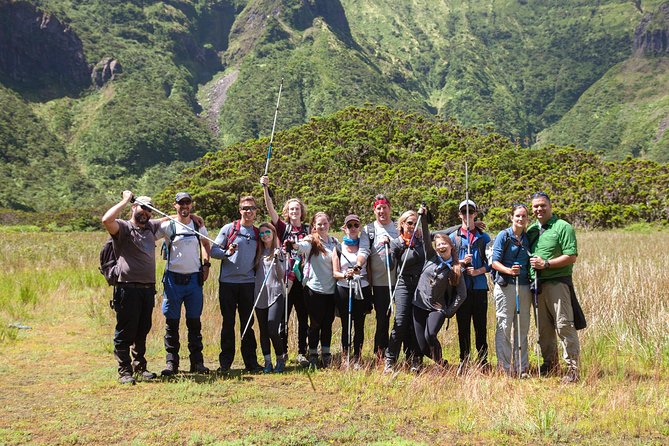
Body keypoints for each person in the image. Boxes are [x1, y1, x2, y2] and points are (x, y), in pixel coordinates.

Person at [102, 191, 163, 384]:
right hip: (127, 288)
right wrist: (125, 200)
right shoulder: (124, 228)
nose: (145, 212)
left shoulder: (151, 227)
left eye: (149, 209)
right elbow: (106, 219)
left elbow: (171, 219)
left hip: (147, 288)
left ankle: (140, 367)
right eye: (143, 207)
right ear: (134, 208)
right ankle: (124, 371)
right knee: (125, 329)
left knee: (142, 328)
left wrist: (191, 216)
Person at [527, 192, 580, 383]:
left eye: (542, 205)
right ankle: (550, 364)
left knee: (564, 325)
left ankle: (572, 369)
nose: (539, 209)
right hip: (536, 285)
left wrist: (547, 264)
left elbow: (571, 255)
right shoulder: (532, 229)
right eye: (535, 206)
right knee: (544, 329)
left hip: (557, 283)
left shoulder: (563, 227)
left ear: (550, 206)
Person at [259, 175, 310, 367]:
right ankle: (284, 350)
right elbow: (270, 209)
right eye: (291, 209)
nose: (294, 211)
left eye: (297, 208)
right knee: (283, 316)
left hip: (304, 278)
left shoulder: (308, 228)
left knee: (303, 316)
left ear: (301, 211)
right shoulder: (283, 228)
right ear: (287, 212)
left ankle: (302, 352)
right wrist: (266, 189)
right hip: (285, 278)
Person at [159, 192, 212, 377]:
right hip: (173, 281)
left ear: (191, 205)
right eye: (181, 203)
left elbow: (206, 244)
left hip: (193, 282)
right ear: (175, 205)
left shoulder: (198, 226)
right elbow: (150, 227)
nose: (185, 206)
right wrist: (173, 216)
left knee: (194, 323)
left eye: (187, 203)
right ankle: (171, 363)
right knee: (171, 323)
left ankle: (197, 362)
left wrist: (206, 265)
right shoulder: (168, 226)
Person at [210, 196, 263, 373]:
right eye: (245, 208)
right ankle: (225, 363)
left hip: (248, 283)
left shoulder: (257, 233)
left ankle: (251, 363)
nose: (248, 211)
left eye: (252, 208)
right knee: (228, 323)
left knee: (247, 323)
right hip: (228, 284)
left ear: (256, 212)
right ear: (240, 210)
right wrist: (227, 252)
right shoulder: (229, 229)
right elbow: (214, 251)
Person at [384, 208, 429, 372]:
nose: (412, 226)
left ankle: (415, 359)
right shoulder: (397, 243)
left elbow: (444, 232)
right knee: (401, 321)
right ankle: (390, 359)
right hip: (403, 285)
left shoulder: (421, 241)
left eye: (415, 222)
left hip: (420, 286)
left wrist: (465, 227)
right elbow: (389, 266)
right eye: (409, 223)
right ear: (402, 224)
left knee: (416, 323)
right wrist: (388, 251)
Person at [412, 233, 466, 367]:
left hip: (437, 308)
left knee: (430, 335)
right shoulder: (431, 257)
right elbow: (425, 235)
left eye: (444, 243)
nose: (441, 246)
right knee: (421, 344)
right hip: (419, 305)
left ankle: (440, 364)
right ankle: (442, 363)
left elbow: (462, 294)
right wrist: (423, 215)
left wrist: (449, 311)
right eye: (438, 245)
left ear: (451, 246)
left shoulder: (456, 268)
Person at [292, 212, 338, 368]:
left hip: (331, 290)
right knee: (315, 324)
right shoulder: (311, 240)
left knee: (327, 323)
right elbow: (301, 246)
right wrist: (294, 245)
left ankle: (326, 354)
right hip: (314, 290)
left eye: (325, 223)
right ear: (313, 226)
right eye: (319, 224)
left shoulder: (334, 242)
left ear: (329, 224)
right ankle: (312, 354)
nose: (322, 226)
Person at [491, 204, 532, 378]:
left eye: (523, 216)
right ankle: (505, 367)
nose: (520, 219)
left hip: (524, 286)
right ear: (511, 217)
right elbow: (494, 262)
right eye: (517, 216)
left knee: (522, 327)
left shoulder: (527, 237)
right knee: (505, 325)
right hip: (506, 285)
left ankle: (522, 367)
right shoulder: (504, 235)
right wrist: (509, 271)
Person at [450, 199, 491, 372]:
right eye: (464, 212)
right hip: (461, 289)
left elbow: (492, 262)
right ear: (459, 215)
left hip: (480, 288)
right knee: (463, 326)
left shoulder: (484, 237)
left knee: (480, 326)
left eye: (471, 211)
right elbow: (447, 262)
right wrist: (460, 262)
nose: (467, 215)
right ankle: (464, 360)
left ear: (475, 214)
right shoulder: (454, 238)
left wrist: (479, 271)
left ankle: (483, 361)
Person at [357, 194, 399, 360]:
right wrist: (359, 264)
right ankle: (380, 353)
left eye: (385, 208)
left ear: (390, 208)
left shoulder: (398, 227)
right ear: (374, 210)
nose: (382, 211)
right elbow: (364, 250)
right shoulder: (369, 230)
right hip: (380, 283)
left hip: (400, 280)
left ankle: (400, 353)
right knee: (382, 319)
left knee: (402, 319)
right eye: (378, 208)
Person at [332, 214, 372, 368]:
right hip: (344, 288)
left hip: (361, 288)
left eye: (356, 225)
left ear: (359, 227)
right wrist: (345, 274)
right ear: (344, 228)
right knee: (346, 325)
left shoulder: (365, 245)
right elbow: (335, 272)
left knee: (360, 325)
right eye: (350, 226)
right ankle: (345, 357)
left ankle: (357, 358)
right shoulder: (338, 247)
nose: (353, 228)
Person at [254, 222, 287, 373]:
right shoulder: (258, 251)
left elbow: (281, 276)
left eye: (267, 232)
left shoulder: (279, 252)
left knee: (272, 327)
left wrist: (276, 262)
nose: (264, 235)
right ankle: (267, 361)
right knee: (263, 330)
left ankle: (280, 359)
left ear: (273, 233)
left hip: (275, 293)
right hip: (259, 295)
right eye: (261, 233)